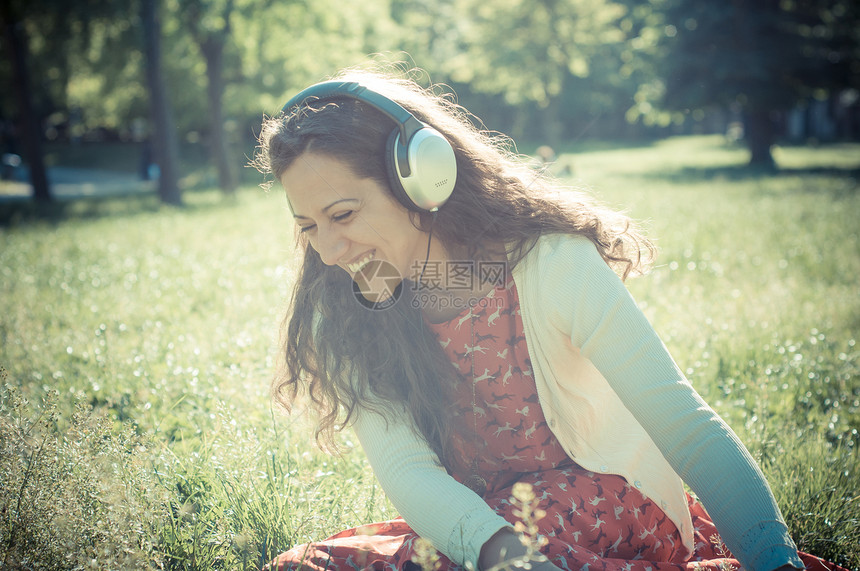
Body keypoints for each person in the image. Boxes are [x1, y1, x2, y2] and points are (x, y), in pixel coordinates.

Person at [253, 66, 844, 571]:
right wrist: (503, 555)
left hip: (611, 497)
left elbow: (682, 422)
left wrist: (773, 557)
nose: (328, 251)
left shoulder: (551, 264)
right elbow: (408, 470)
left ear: (420, 178)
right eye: (308, 226)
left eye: (343, 214)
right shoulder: (354, 309)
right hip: (492, 527)